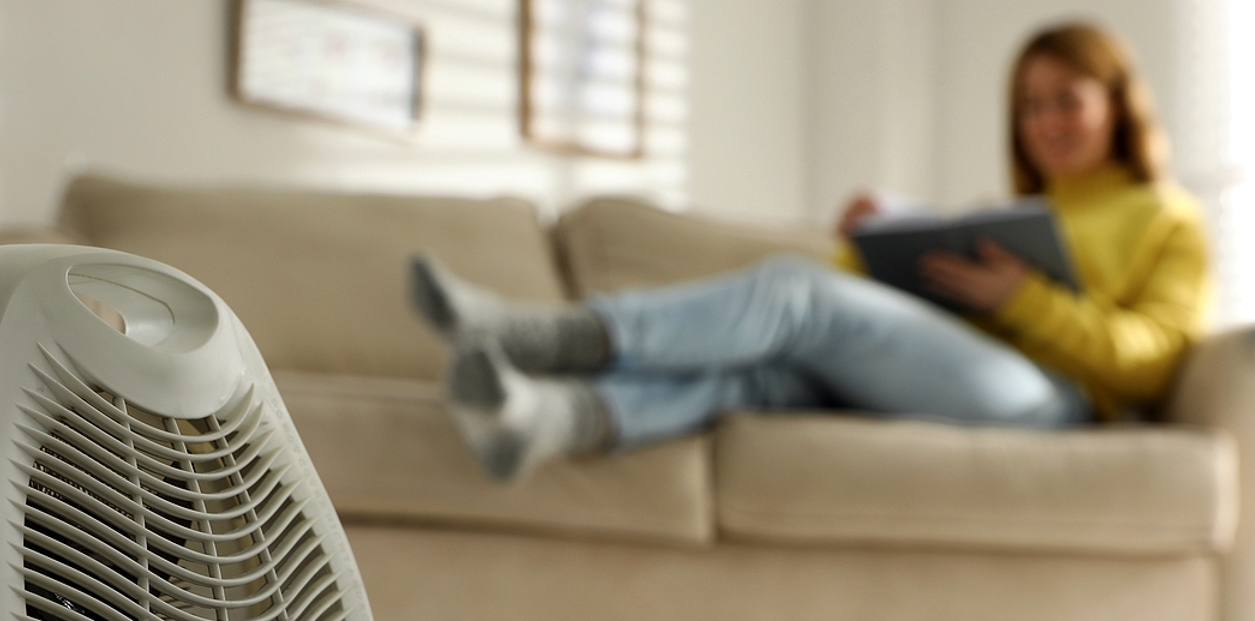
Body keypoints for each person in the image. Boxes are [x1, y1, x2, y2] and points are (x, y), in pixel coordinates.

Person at [409, 21, 1212, 483]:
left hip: (1054, 402)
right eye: (1031, 106)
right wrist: (872, 248)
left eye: (1067, 100)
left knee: (793, 293)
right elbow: (900, 316)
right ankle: (549, 418)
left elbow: (1154, 361)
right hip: (957, 369)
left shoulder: (1167, 216)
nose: (1047, 121)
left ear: (1117, 103)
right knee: (765, 375)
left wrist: (1023, 301)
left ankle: (539, 336)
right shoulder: (1003, 215)